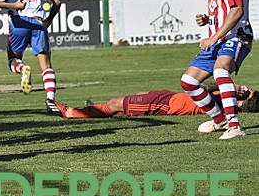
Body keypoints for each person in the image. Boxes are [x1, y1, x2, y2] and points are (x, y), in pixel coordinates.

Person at [179, 0, 252, 140]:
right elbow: (224, 10)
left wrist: (212, 37)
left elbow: (236, 10)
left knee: (220, 71)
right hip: (220, 37)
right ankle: (219, 120)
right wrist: (208, 20)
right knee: (188, 82)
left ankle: (235, 127)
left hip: (237, 37)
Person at [55, 84, 259, 119]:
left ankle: (72, 113)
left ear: (244, 103)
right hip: (168, 97)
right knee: (125, 100)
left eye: (248, 94)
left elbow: (203, 87)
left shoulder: (226, 104)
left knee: (117, 103)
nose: (245, 90)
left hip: (165, 105)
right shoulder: (226, 101)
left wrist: (233, 89)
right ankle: (91, 109)